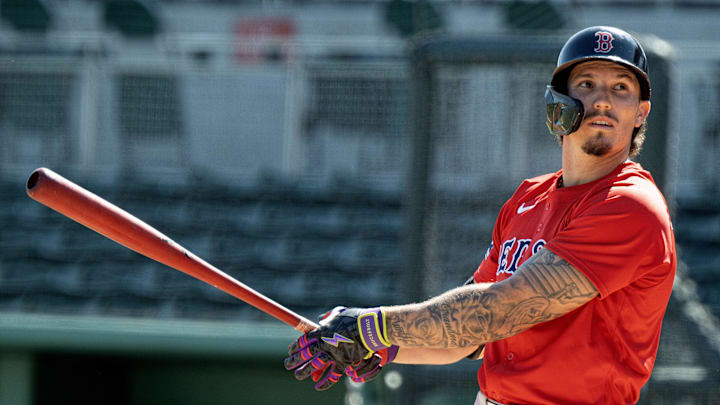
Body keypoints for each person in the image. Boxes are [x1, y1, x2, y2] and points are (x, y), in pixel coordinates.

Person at [284, 26, 676, 405]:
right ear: (558, 100)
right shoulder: (529, 197)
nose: (603, 100)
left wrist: (372, 327)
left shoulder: (629, 204)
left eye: (620, 88)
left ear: (641, 112)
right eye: (587, 84)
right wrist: (384, 347)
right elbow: (470, 338)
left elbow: (499, 312)